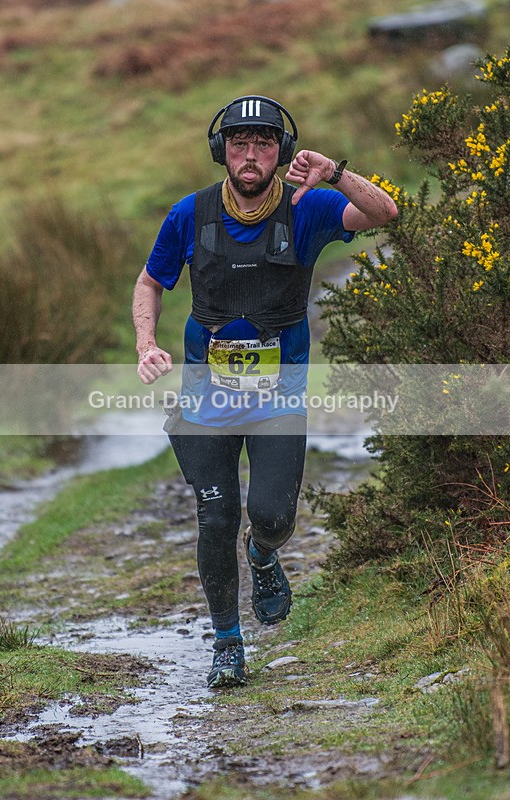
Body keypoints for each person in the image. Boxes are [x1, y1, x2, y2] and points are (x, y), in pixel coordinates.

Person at [133, 95, 397, 688]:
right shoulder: (190, 215)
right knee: (215, 516)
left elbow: (384, 213)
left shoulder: (308, 207)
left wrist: (336, 172)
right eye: (239, 143)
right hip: (206, 401)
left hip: (280, 398)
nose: (250, 154)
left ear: (281, 151)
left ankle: (264, 553)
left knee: (271, 516)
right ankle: (227, 640)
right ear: (221, 150)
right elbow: (150, 282)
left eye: (264, 143)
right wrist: (146, 344)